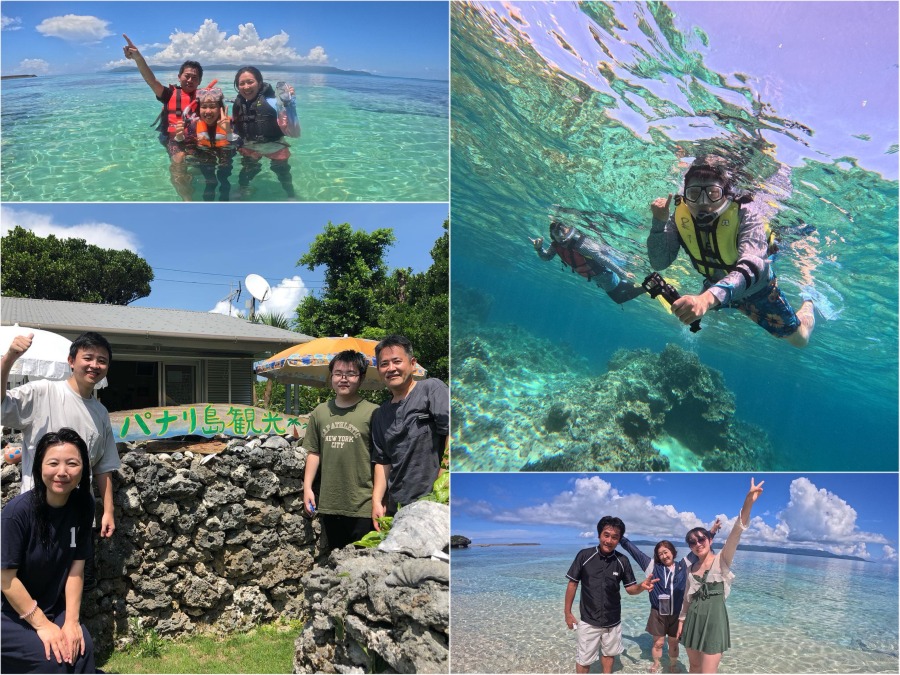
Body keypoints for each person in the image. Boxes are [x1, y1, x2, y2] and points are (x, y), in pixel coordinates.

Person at [648, 155, 815, 347]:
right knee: (689, 316)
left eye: (712, 193)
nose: (703, 203)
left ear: (726, 195)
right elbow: (659, 263)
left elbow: (752, 266)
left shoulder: (747, 213)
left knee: (800, 339)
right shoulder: (679, 215)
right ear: (685, 195)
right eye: (694, 194)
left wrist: (706, 300)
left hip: (756, 289)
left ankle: (808, 302)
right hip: (715, 286)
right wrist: (658, 223)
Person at [2, 331, 121, 590]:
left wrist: (108, 510)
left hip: (79, 514)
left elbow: (104, 466)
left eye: (102, 360)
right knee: (31, 581)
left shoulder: (100, 412)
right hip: (38, 511)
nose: (94, 365)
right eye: (88, 357)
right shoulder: (43, 392)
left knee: (77, 580)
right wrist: (9, 358)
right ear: (71, 360)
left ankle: (72, 628)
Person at [1, 428, 97, 673]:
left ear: (83, 467)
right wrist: (42, 625)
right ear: (39, 466)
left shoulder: (83, 504)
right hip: (9, 613)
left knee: (82, 649)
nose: (62, 472)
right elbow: (5, 579)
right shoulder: (16, 514)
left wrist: (72, 622)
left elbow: (77, 566)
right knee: (52, 660)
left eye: (72, 463)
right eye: (53, 463)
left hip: (52, 606)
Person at [677, 478, 764, 674]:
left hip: (715, 620)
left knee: (708, 671)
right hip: (693, 619)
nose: (697, 544)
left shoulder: (722, 560)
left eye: (701, 539)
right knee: (694, 667)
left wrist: (748, 501)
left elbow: (736, 533)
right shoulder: (691, 568)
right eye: (692, 542)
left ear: (709, 539)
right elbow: (686, 600)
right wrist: (681, 622)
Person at [619, 519, 722, 673]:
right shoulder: (652, 566)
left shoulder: (684, 565)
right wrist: (619, 537)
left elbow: (700, 546)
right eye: (660, 554)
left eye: (666, 551)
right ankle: (656, 663)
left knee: (673, 643)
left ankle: (672, 665)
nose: (664, 555)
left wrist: (712, 530)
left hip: (677, 613)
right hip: (658, 612)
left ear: (673, 552)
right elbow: (634, 551)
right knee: (658, 643)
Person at [302, 350, 380, 550]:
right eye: (338, 373)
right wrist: (308, 488)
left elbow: (381, 459)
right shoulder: (320, 412)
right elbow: (314, 452)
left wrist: (379, 500)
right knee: (337, 564)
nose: (343, 379)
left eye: (350, 373)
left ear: (361, 378)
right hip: (330, 503)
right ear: (331, 377)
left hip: (363, 504)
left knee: (365, 565)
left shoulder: (373, 412)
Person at [371, 335, 449, 529]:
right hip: (397, 507)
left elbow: (454, 431)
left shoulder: (431, 389)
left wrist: (445, 477)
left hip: (435, 501)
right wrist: (377, 500)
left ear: (412, 364)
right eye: (384, 364)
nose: (391, 368)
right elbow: (382, 461)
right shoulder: (380, 414)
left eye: (397, 361)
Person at [564, 516, 658, 674]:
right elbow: (572, 584)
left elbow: (630, 589)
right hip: (588, 620)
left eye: (615, 537)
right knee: (584, 660)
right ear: (599, 535)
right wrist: (567, 613)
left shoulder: (622, 560)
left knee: (609, 655)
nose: (609, 540)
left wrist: (641, 587)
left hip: (613, 621)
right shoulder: (584, 556)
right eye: (606, 535)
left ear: (619, 539)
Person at [122, 34, 204, 201]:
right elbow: (151, 80)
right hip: (173, 138)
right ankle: (187, 199)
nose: (190, 80)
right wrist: (138, 58)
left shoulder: (204, 98)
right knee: (179, 159)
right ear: (179, 77)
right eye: (186, 76)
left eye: (194, 78)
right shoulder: (168, 94)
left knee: (200, 163)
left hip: (194, 138)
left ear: (200, 81)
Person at [532, 221, 646, 304]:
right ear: (553, 236)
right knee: (620, 288)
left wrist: (623, 273)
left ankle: (643, 286)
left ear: (567, 231)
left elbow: (602, 259)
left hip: (604, 275)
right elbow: (546, 257)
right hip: (599, 276)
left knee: (618, 298)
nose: (561, 237)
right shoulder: (556, 246)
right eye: (557, 234)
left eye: (562, 232)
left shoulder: (581, 245)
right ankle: (635, 283)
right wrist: (539, 248)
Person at [231, 66, 301, 199]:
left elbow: (294, 132)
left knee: (283, 173)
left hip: (274, 145)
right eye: (242, 83)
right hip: (251, 147)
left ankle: (291, 196)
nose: (246, 87)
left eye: (250, 82)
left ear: (259, 83)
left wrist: (290, 106)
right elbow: (236, 129)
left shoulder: (274, 102)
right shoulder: (238, 105)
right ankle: (242, 190)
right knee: (246, 173)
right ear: (237, 86)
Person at [176, 87, 241, 201]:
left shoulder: (229, 123)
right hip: (205, 155)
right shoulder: (194, 125)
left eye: (212, 106)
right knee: (210, 181)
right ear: (198, 109)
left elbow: (240, 145)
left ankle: (224, 202)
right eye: (204, 107)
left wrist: (228, 132)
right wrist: (180, 137)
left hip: (225, 153)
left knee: (224, 179)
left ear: (220, 108)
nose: (208, 111)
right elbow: (186, 146)